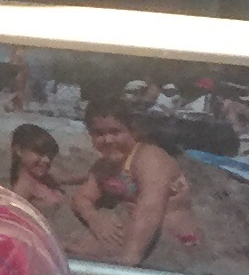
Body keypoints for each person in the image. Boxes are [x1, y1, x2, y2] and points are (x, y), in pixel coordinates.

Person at [69, 95, 202, 266]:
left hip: (174, 242)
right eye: (99, 134)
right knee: (73, 246)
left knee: (79, 250)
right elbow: (82, 198)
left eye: (115, 132)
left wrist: (130, 257)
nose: (108, 140)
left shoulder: (149, 158)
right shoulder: (106, 165)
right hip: (137, 234)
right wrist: (95, 219)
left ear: (133, 131)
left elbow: (149, 208)